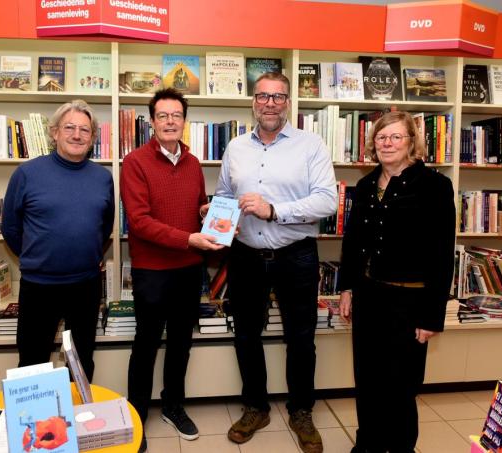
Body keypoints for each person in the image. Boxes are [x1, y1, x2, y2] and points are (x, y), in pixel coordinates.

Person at [214, 72, 337, 453]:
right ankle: (256, 407)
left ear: (288, 102)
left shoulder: (311, 145)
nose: (270, 103)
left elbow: (326, 202)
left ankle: (301, 411)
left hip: (295, 256)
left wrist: (274, 211)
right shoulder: (235, 147)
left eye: (278, 97)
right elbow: (224, 193)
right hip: (246, 256)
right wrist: (219, 216)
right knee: (246, 335)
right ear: (253, 101)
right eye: (263, 96)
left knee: (300, 339)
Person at [338, 111, 456, 453]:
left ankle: (402, 447)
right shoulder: (364, 185)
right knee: (368, 379)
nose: (387, 143)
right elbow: (353, 242)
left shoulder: (435, 185)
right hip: (369, 296)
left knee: (402, 385)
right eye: (381, 138)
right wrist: (347, 288)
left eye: (395, 137)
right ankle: (369, 444)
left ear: (411, 142)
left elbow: (441, 253)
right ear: (373, 144)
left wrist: (431, 316)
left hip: (411, 302)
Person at [120, 88, 223, 453]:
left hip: (189, 269)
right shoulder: (134, 162)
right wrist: (190, 239)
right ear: (151, 122)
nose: (169, 121)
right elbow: (140, 222)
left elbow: (196, 206)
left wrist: (206, 215)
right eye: (162, 116)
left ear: (184, 120)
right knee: (146, 346)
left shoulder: (194, 163)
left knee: (181, 344)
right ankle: (136, 416)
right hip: (153, 271)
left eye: (176, 115)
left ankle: (173, 407)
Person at [2, 100, 114, 381]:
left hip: (85, 286)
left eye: (85, 130)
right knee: (32, 360)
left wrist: (81, 255)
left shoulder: (103, 178)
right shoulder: (27, 174)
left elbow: (105, 227)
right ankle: (34, 423)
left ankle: (78, 418)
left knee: (81, 359)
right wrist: (39, 258)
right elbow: (11, 229)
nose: (77, 135)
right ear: (54, 133)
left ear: (92, 138)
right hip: (39, 287)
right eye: (70, 128)